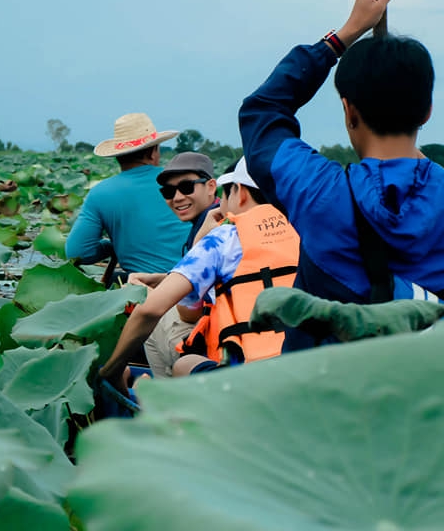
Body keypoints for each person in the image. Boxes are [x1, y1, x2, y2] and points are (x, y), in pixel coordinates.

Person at [239, 0, 444, 351]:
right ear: (427, 111)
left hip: (327, 382)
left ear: (349, 111)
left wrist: (344, 35)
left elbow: (262, 111)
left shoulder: (318, 191)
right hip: (430, 381)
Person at [99, 157, 300, 390]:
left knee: (183, 362)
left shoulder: (222, 240)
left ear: (241, 193)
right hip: (305, 366)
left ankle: (164, 401)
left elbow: (168, 312)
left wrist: (112, 371)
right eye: (168, 192)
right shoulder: (306, 232)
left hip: (243, 378)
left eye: (226, 194)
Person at [65, 113, 188, 280]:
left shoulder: (100, 193)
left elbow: (77, 252)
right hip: (196, 283)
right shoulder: (186, 184)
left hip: (143, 287)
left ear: (118, 156)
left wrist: (110, 246)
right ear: (153, 152)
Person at [141, 151, 220, 376]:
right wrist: (163, 280)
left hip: (214, 337)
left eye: (186, 187)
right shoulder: (212, 216)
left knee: (148, 317)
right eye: (168, 192)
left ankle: (163, 392)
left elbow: (189, 312)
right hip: (227, 326)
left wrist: (154, 294)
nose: (176, 197)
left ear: (211, 186)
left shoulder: (212, 227)